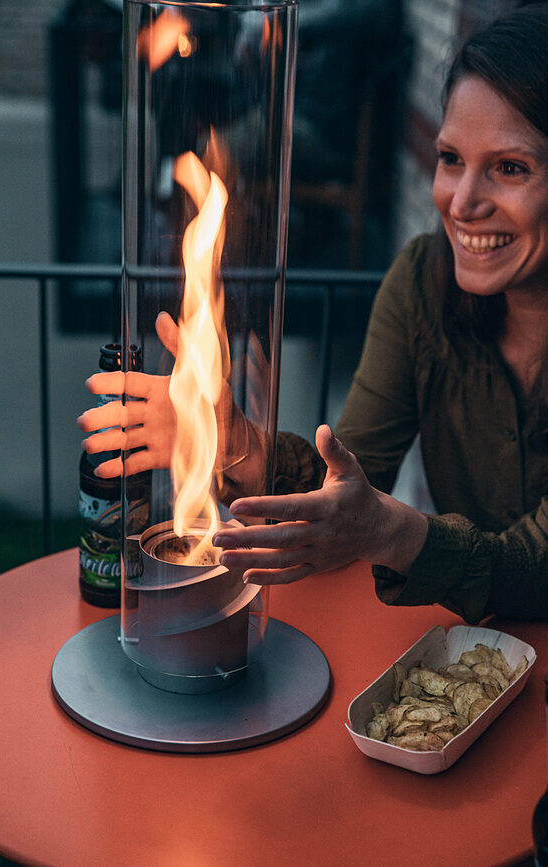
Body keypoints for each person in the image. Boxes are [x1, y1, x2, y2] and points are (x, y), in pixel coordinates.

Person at [78, 3, 548, 625]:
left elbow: (534, 566)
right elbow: (350, 485)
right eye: (450, 158)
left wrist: (398, 535)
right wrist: (237, 448)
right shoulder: (421, 281)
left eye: (510, 168)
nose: (461, 203)